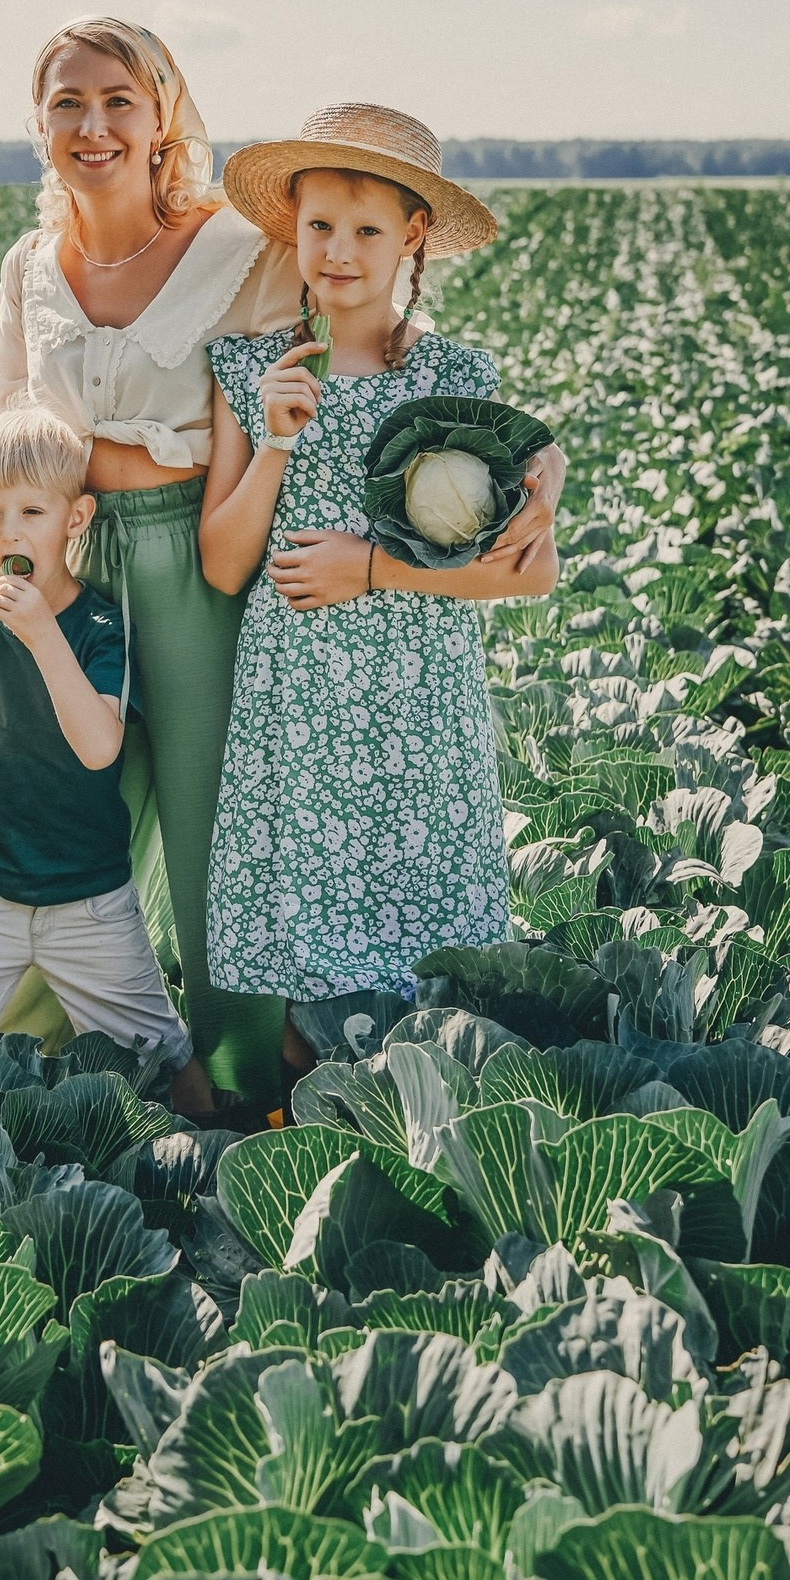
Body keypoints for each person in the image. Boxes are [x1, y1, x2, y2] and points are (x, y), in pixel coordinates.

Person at [0, 20, 566, 1109]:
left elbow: (379, 377)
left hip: (198, 567)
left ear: (166, 112)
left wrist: (541, 462)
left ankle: (237, 1076)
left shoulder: (238, 250)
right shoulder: (30, 272)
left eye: (119, 100)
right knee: (44, 793)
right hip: (67, 559)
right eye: (68, 104)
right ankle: (12, 1058)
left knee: (224, 832)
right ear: (40, 124)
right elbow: (0, 437)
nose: (94, 125)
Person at [200, 104, 560, 1037]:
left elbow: (524, 575)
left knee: (426, 931)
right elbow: (223, 563)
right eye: (320, 226)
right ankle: (313, 1109)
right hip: (301, 701)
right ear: (295, 231)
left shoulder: (458, 378)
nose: (340, 251)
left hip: (419, 700)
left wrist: (373, 566)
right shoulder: (250, 371)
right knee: (306, 937)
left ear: (413, 237)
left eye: (367, 231)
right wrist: (277, 443)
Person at [0, 408, 210, 1107]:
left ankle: (217, 1150)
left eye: (33, 510)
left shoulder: (99, 625)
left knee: (160, 1055)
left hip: (89, 903)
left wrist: (43, 635)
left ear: (76, 518)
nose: (11, 531)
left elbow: (100, 747)